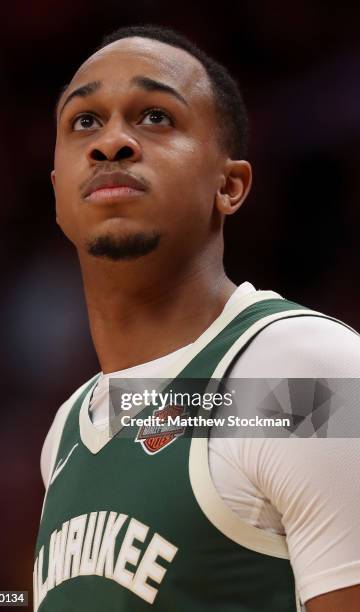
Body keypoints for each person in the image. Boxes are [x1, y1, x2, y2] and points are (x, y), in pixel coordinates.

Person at [33, 24, 360, 611]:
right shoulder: (68, 430)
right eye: (84, 121)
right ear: (57, 191)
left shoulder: (306, 375)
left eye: (156, 116)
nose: (111, 143)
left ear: (229, 185)